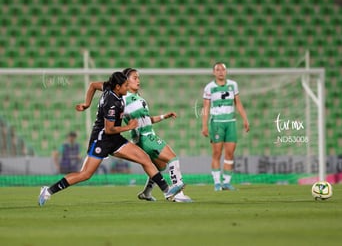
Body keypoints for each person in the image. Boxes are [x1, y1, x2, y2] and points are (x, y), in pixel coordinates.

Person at [38, 72, 184, 206]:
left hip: (115, 139)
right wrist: (129, 127)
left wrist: (87, 103)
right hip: (102, 139)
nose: (128, 88)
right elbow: (109, 129)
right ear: (118, 86)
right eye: (126, 85)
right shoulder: (112, 103)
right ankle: (48, 191)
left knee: (144, 158)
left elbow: (93, 85)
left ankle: (167, 191)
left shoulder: (109, 87)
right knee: (85, 174)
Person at [76, 68, 192, 203]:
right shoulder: (125, 99)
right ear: (126, 81)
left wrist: (163, 116)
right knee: (172, 158)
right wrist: (90, 104)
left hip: (142, 136)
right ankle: (178, 194)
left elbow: (145, 119)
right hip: (146, 137)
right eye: (134, 78)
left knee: (159, 167)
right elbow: (118, 111)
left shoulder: (135, 98)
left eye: (139, 77)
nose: (138, 80)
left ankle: (147, 193)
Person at [202, 62, 250, 191]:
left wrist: (245, 119)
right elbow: (205, 108)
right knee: (217, 153)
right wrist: (204, 125)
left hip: (231, 122)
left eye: (223, 69)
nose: (220, 72)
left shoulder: (233, 85)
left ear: (226, 71)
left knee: (230, 153)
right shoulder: (209, 87)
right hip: (216, 123)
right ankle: (217, 183)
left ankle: (227, 182)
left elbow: (238, 104)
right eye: (217, 69)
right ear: (214, 72)